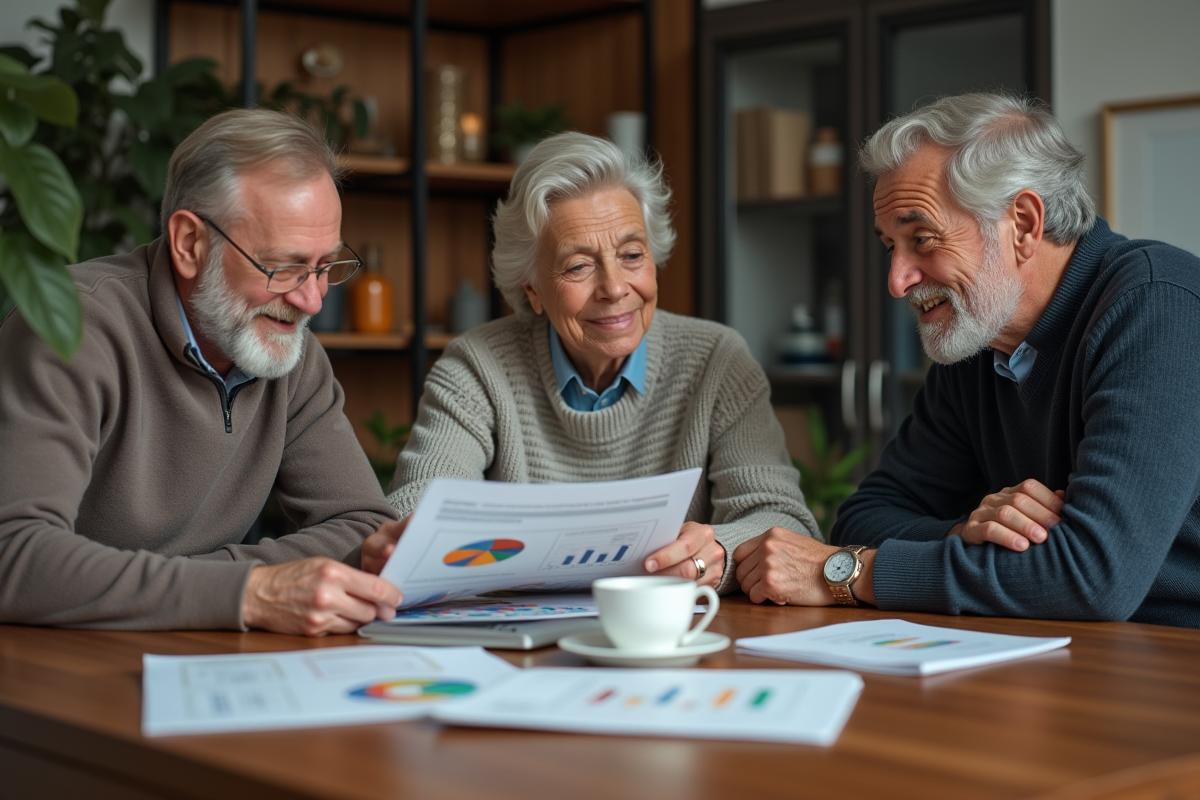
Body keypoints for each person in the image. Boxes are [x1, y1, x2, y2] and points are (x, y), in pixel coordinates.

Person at [732, 92, 1200, 628]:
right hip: (1065, 652)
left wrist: (849, 574)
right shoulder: (978, 340)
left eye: (923, 239)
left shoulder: (1157, 304)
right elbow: (863, 517)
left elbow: (1093, 578)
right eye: (891, 246)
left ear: (1022, 224)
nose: (897, 280)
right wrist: (965, 531)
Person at [0, 109, 406, 634]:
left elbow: (364, 527)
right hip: (49, 666)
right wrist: (249, 593)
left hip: (196, 650)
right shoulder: (69, 328)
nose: (312, 300)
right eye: (282, 267)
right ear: (190, 244)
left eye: (326, 265)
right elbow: (14, 555)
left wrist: (227, 587)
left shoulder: (287, 349)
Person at [370, 132, 820, 591]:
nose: (615, 288)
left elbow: (783, 521)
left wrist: (716, 553)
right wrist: (413, 538)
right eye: (578, 266)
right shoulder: (477, 366)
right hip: (518, 640)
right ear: (532, 291)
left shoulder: (718, 361)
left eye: (631, 255)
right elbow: (418, 506)